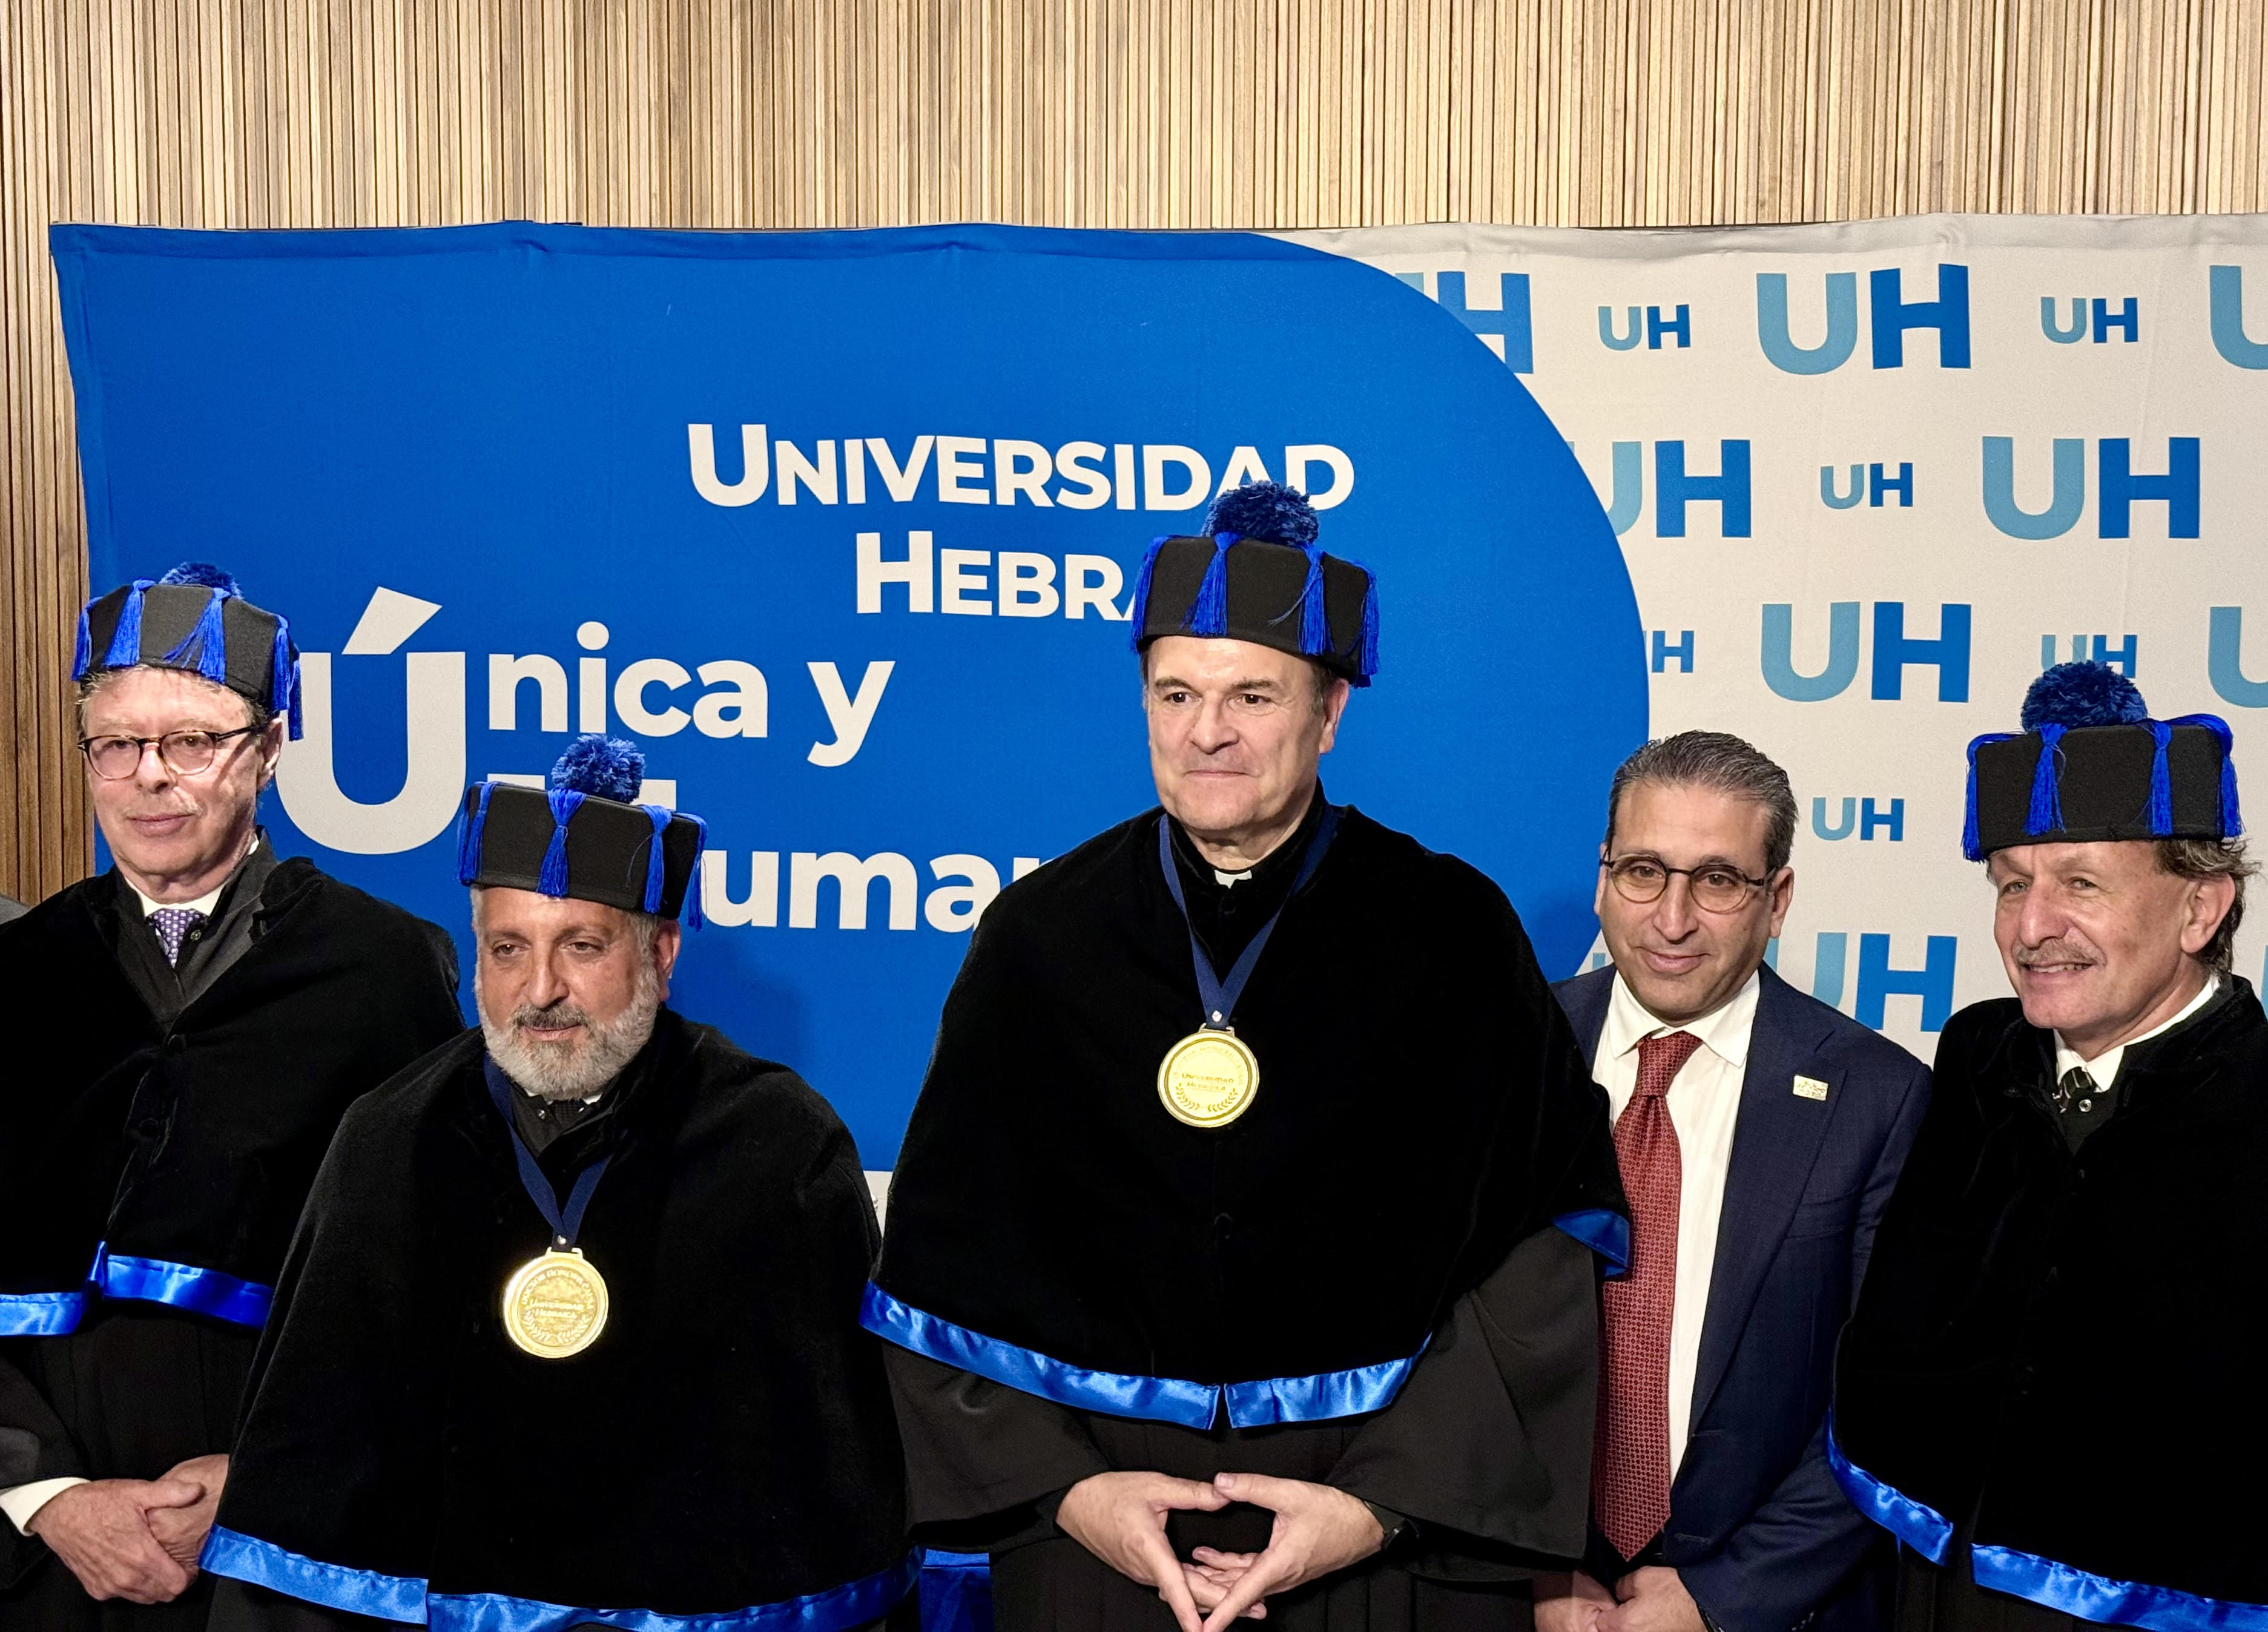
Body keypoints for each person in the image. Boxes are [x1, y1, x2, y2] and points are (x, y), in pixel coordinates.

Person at [868, 482, 1628, 1632]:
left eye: (1249, 696)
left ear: (1329, 715)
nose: (1204, 732)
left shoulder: (1449, 934)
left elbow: (1545, 1248)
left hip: (1378, 1538)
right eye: (1174, 692)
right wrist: (1069, 1493)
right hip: (1105, 1550)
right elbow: (934, 1281)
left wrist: (1377, 1507)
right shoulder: (1039, 939)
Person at [199, 736, 915, 1631]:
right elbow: (311, 1487)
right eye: (507, 949)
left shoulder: (777, 1145)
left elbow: (830, 1478)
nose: (540, 990)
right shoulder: (388, 1140)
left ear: (660, 951)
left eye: (581, 945)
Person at [0, 565, 465, 1628]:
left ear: (267, 749)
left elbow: (423, 1275)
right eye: (116, 744)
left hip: (278, 1539)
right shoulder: (17, 974)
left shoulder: (384, 971)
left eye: (191, 743)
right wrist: (46, 1494)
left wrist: (262, 1470)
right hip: (30, 1549)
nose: (149, 777)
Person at [1830, 662, 2268, 1629]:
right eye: (2010, 886)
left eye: (2080, 883)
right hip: (1916, 1585)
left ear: (2199, 908)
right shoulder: (1977, 1052)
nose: (2031, 928)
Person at [1537, 733, 1929, 1632]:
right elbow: (1455, 1351)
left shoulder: (1877, 1098)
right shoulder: (1514, 1054)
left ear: (1776, 899)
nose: (1671, 919)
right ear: (1602, 878)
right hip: (1533, 1598)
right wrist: (1526, 1567)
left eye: (1716, 881)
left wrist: (1719, 1599)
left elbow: (1885, 1407)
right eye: (1643, 871)